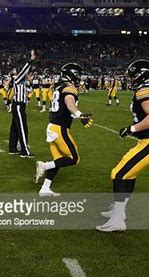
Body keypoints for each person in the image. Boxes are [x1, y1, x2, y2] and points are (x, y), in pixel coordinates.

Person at [97, 60, 149, 232]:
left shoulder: (145, 90)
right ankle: (119, 212)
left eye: (132, 75)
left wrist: (131, 129)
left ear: (140, 74)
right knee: (128, 174)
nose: (130, 79)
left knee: (119, 174)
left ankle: (118, 220)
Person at [34, 63, 93, 197]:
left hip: (52, 126)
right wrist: (80, 115)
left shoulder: (59, 86)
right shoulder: (69, 88)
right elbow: (69, 102)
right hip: (59, 128)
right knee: (74, 158)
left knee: (59, 160)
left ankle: (45, 188)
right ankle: (44, 166)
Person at [8, 62, 33, 158]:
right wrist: (30, 61)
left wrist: (29, 82)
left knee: (14, 127)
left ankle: (12, 148)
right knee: (22, 128)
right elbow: (24, 71)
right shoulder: (17, 79)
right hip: (18, 105)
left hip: (20, 106)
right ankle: (24, 151)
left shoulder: (23, 82)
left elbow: (30, 90)